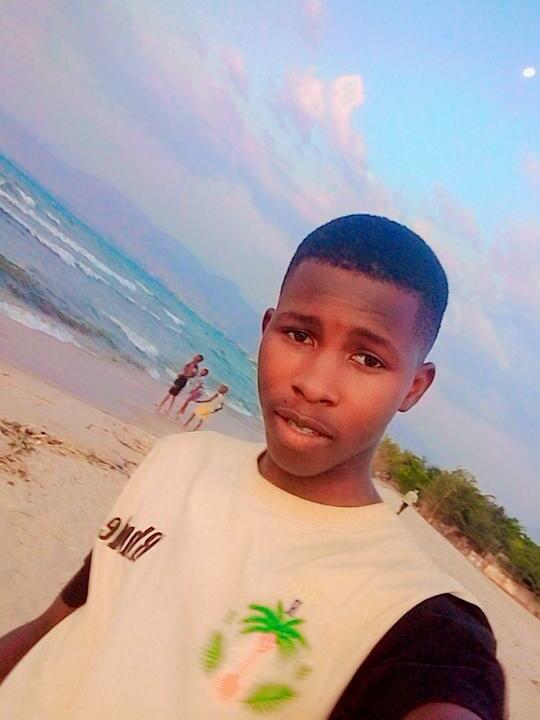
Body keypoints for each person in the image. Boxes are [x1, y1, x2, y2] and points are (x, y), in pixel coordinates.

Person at [0, 215, 505, 719]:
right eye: (299, 335)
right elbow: (58, 623)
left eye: (368, 359)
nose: (313, 384)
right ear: (267, 329)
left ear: (413, 387)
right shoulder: (179, 458)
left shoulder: (417, 618)